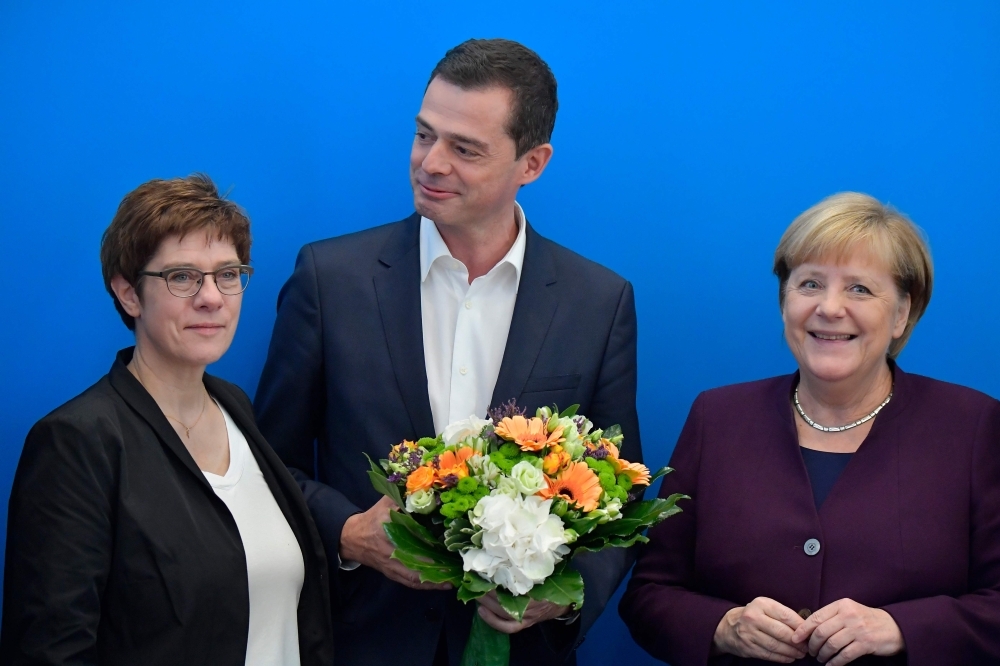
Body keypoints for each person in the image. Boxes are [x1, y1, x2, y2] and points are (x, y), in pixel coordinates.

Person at [254, 38, 641, 666]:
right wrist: (348, 534)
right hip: (362, 641)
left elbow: (619, 497)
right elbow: (269, 462)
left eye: (465, 149)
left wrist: (564, 599)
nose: (431, 163)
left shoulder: (599, 302)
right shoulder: (331, 279)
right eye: (423, 135)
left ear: (532, 163)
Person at [619, 192, 1000, 665]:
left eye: (859, 288)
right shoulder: (717, 418)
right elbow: (649, 595)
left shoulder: (974, 426)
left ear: (902, 313)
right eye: (810, 284)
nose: (830, 308)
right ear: (785, 302)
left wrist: (903, 628)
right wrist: (723, 626)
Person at [1, 175, 333, 666]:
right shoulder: (77, 441)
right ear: (128, 294)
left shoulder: (236, 408)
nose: (211, 297)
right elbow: (50, 650)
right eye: (182, 276)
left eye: (228, 274)